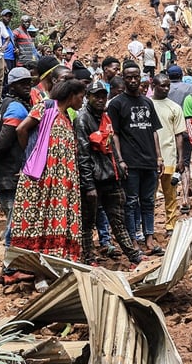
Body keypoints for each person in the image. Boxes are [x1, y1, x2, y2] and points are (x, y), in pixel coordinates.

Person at [11, 78, 88, 262]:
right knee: (40, 217)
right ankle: (33, 266)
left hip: (62, 181)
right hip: (43, 176)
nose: (82, 102)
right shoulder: (45, 107)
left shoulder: (67, 117)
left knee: (55, 219)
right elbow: (21, 130)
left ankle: (56, 260)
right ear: (71, 96)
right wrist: (32, 156)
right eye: (81, 97)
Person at [74, 81, 145, 266]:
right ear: (88, 97)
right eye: (95, 96)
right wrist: (88, 185)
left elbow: (111, 146)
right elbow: (83, 155)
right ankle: (89, 258)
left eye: (102, 96)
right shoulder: (82, 120)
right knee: (88, 223)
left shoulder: (104, 117)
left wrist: (120, 166)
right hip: (95, 181)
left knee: (118, 220)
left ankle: (132, 255)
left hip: (111, 177)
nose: (100, 99)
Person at [107, 62, 166, 255]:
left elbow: (154, 132)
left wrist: (159, 157)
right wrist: (120, 159)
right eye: (129, 77)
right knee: (131, 202)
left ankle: (149, 239)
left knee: (148, 201)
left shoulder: (147, 102)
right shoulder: (116, 104)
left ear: (141, 78)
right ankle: (132, 240)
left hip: (149, 160)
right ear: (123, 79)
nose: (133, 80)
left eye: (136, 77)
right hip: (130, 162)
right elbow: (114, 134)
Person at [0, 67, 34, 250]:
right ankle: (10, 268)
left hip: (9, 172)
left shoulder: (10, 104)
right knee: (15, 223)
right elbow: (2, 144)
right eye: (22, 83)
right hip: (11, 174)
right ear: (12, 86)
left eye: (29, 83)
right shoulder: (16, 108)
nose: (27, 86)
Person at [150, 74, 187, 241]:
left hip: (169, 156)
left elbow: (179, 135)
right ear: (153, 85)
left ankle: (171, 224)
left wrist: (181, 159)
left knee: (170, 194)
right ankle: (148, 227)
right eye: (162, 86)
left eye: (167, 86)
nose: (165, 89)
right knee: (148, 195)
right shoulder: (146, 104)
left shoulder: (174, 108)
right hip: (150, 158)